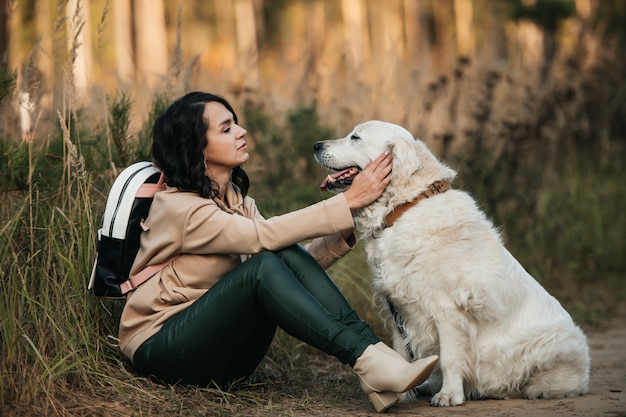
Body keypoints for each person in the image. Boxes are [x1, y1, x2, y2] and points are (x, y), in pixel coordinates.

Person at [118, 92, 438, 413]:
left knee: (276, 254)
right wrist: (346, 202)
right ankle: (369, 361)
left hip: (225, 358)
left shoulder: (236, 201)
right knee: (264, 260)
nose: (241, 132)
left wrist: (344, 226)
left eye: (237, 124)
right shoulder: (178, 207)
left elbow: (285, 278)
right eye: (226, 129)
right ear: (195, 146)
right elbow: (262, 240)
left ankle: (377, 357)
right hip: (163, 349)